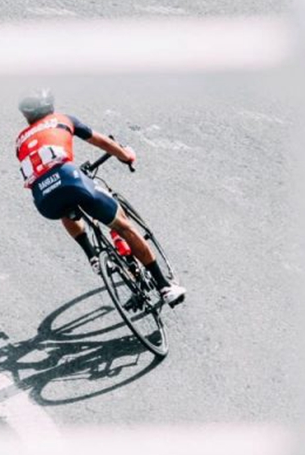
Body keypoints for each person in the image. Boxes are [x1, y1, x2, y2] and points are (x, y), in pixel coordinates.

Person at [16, 89, 185, 306]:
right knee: (123, 226)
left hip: (43, 200)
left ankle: (92, 256)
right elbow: (101, 141)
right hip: (70, 179)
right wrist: (126, 155)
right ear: (49, 105)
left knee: (65, 207)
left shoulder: (20, 139)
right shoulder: (62, 119)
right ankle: (164, 287)